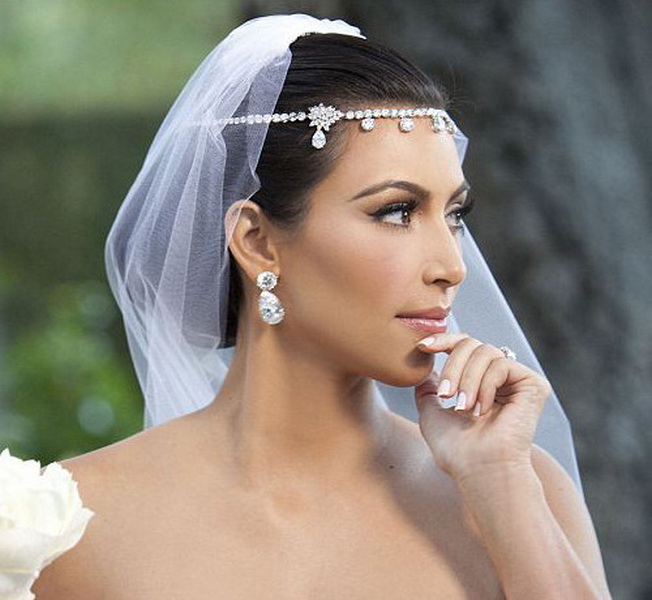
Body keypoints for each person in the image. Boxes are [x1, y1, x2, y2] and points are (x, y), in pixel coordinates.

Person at [34, 14, 612, 599]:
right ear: (257, 242)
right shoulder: (66, 524)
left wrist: (498, 481)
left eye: (454, 214)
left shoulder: (521, 491)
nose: (452, 266)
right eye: (397, 211)